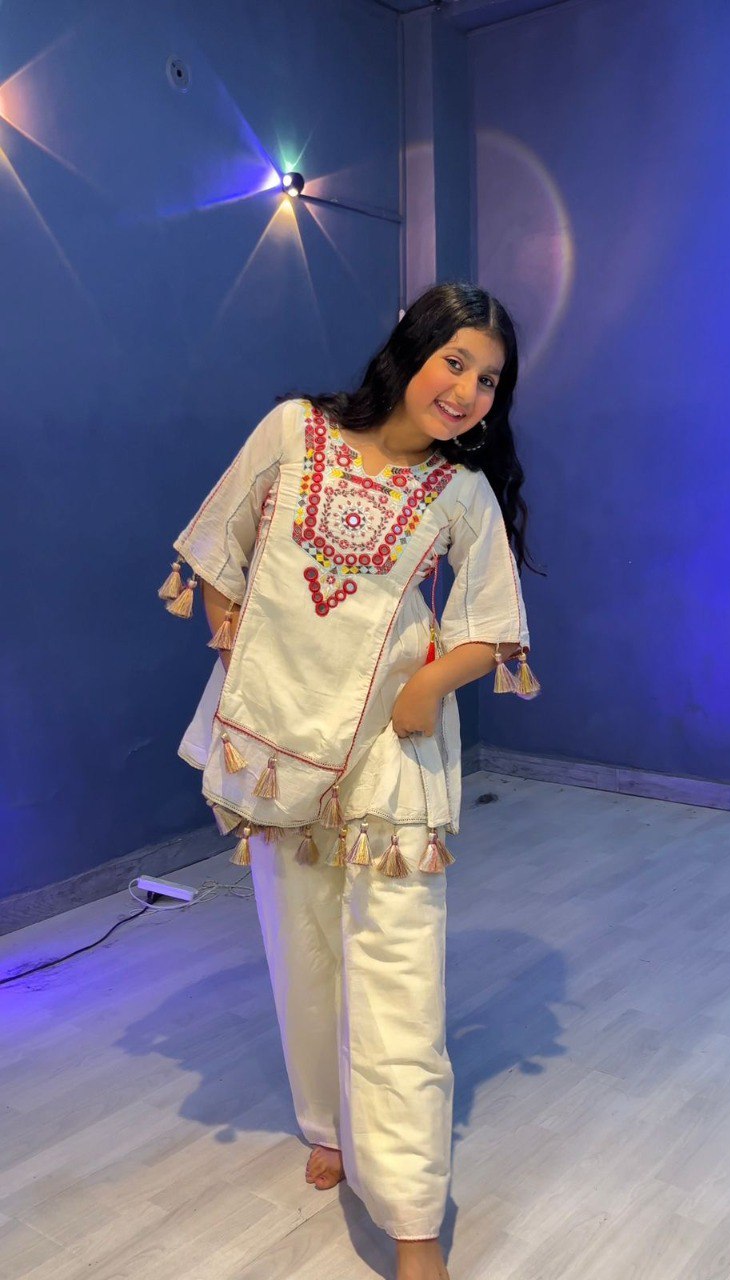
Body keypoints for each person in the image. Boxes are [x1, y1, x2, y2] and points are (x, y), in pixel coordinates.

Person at [157, 280, 540, 1280]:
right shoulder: (294, 432)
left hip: (391, 754)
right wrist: (230, 632)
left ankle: (413, 1219)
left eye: (488, 378)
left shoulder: (456, 492)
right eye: (453, 360)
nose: (465, 390)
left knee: (401, 978)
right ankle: (327, 1121)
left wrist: (427, 688)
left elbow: (492, 621)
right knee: (304, 948)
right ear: (410, 347)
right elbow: (218, 540)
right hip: (280, 748)